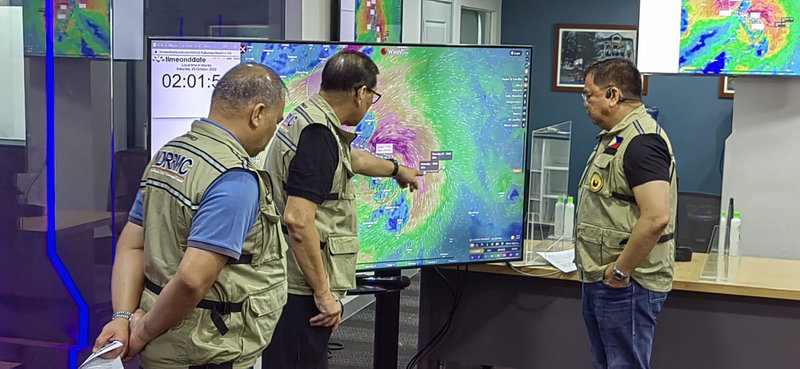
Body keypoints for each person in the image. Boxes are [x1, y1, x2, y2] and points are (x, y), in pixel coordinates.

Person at [91, 63, 289, 368]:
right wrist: (141, 331)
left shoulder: (170, 153)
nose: (273, 132)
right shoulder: (234, 179)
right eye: (275, 121)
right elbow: (192, 281)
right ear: (257, 113)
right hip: (205, 349)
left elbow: (132, 244)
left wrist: (123, 319)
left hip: (165, 339)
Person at [261, 49, 422, 368]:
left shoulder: (310, 118)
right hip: (300, 289)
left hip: (287, 279)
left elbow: (351, 158)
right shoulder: (318, 135)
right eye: (372, 95)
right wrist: (323, 294)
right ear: (360, 93)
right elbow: (297, 219)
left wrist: (396, 169)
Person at [576, 58, 677, 369]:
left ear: (613, 95)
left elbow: (657, 216)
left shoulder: (641, 143)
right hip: (602, 277)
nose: (585, 103)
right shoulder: (616, 138)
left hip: (627, 285)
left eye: (588, 94)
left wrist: (619, 272)